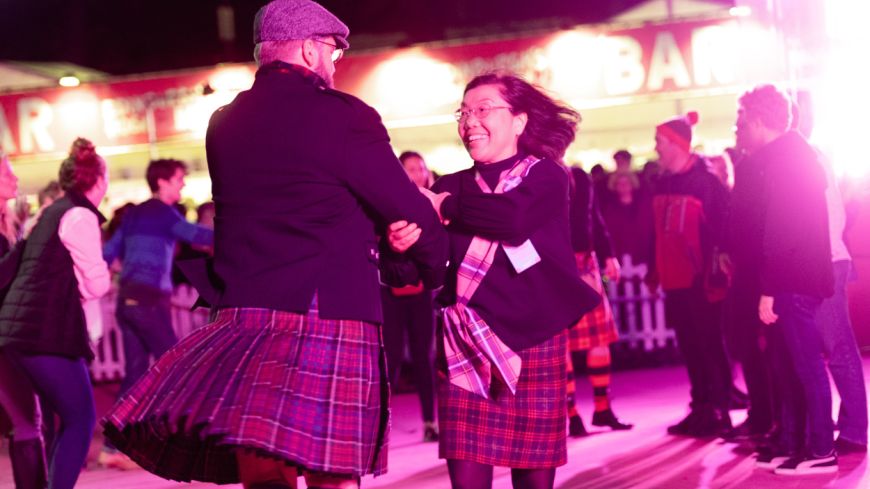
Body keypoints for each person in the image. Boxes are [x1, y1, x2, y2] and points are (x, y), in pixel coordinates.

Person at [102, 1, 449, 488]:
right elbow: (402, 207)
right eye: (332, 50)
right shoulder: (344, 115)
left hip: (244, 313)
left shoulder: (224, 123)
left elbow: (293, 201)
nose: (335, 63)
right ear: (308, 49)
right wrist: (431, 262)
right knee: (334, 476)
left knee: (263, 473)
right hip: (325, 311)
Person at [405, 72, 600, 489]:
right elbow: (429, 263)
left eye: (483, 109)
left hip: (533, 340)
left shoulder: (545, 176)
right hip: (465, 342)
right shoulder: (451, 185)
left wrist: (444, 207)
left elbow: (510, 219)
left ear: (519, 121)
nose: (470, 121)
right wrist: (399, 244)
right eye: (464, 111)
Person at [732, 84, 836, 475]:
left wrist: (768, 289)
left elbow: (782, 229)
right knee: (790, 367)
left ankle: (820, 448)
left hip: (794, 278)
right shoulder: (791, 154)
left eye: (743, 120)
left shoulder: (786, 159)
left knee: (805, 366)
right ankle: (797, 443)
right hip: (795, 276)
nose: (739, 127)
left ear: (759, 121)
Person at [0, 138, 112, 489]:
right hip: (40, 329)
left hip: (18, 329)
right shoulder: (77, 215)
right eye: (7, 170)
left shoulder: (46, 214)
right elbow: (96, 283)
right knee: (77, 418)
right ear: (98, 181)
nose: (14, 177)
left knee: (38, 422)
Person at [99, 158, 214, 469]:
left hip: (127, 302)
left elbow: (107, 254)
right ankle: (191, 442)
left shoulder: (134, 214)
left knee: (135, 375)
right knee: (177, 367)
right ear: (162, 182)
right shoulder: (163, 213)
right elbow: (198, 236)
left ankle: (111, 447)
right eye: (179, 179)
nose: (183, 185)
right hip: (149, 303)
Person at [647, 111, 733, 438]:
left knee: (710, 343)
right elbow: (656, 232)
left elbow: (723, 232)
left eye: (659, 141)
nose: (655, 148)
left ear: (675, 144)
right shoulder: (661, 182)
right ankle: (700, 407)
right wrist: (655, 268)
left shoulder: (706, 182)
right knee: (690, 345)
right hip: (674, 280)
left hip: (702, 280)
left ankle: (720, 409)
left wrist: (715, 273)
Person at [564, 166, 632, 437]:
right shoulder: (534, 174)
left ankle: (602, 409)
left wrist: (608, 255)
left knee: (599, 340)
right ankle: (571, 415)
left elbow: (594, 218)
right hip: (552, 265)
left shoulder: (579, 176)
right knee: (561, 345)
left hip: (585, 262)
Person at [381, 151, 439, 442]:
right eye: (410, 169)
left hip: (421, 293)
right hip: (390, 293)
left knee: (424, 358)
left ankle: (431, 421)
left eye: (420, 168)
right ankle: (383, 425)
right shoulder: (389, 205)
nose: (417, 173)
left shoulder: (434, 205)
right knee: (389, 360)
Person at [0, 149, 46, 489]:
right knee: (27, 423)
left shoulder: (8, 223)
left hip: (13, 336)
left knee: (28, 422)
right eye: (7, 172)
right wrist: (27, 243)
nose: (15, 178)